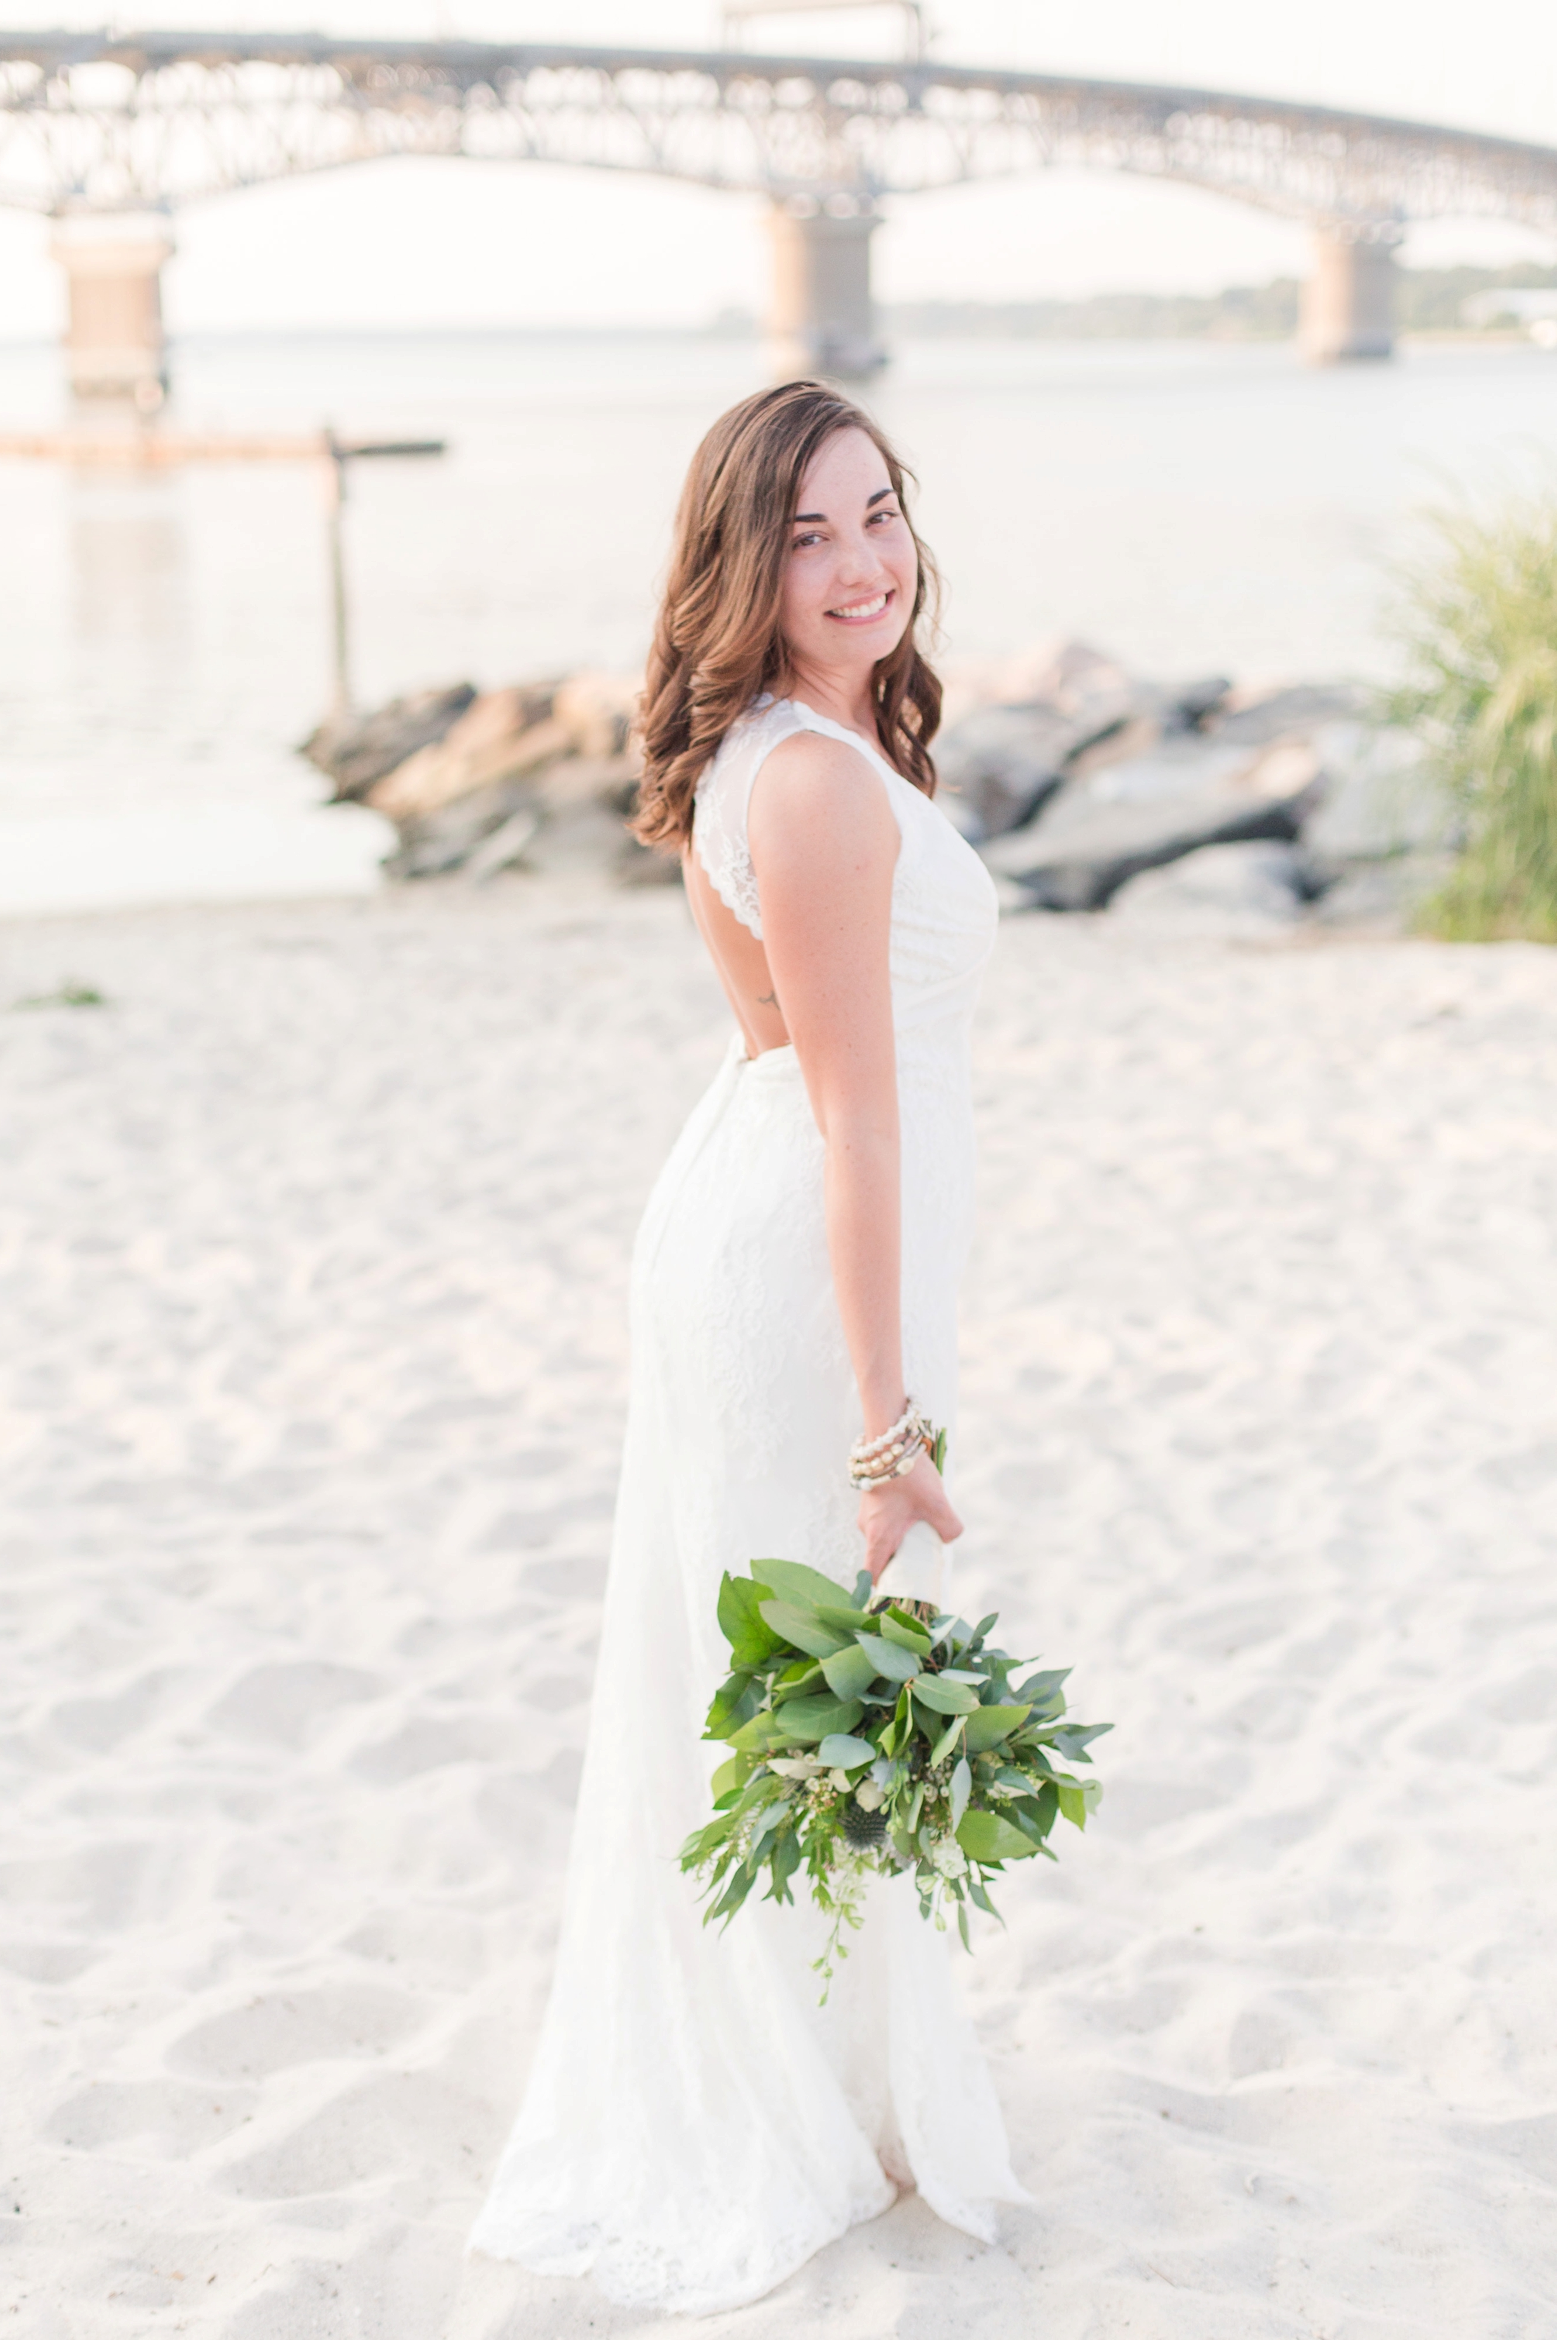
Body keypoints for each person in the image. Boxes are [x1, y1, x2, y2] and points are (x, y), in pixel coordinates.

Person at [470, 380, 1027, 2314]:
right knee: (809, 1664)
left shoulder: (827, 736)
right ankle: (779, 2094)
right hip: (796, 1252)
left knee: (797, 1680)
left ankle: (828, 2070)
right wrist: (892, 1427)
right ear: (744, 563)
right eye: (806, 536)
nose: (862, 563)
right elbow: (848, 1117)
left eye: (877, 514)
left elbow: (789, 1061)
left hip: (782, 1211)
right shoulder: (801, 775)